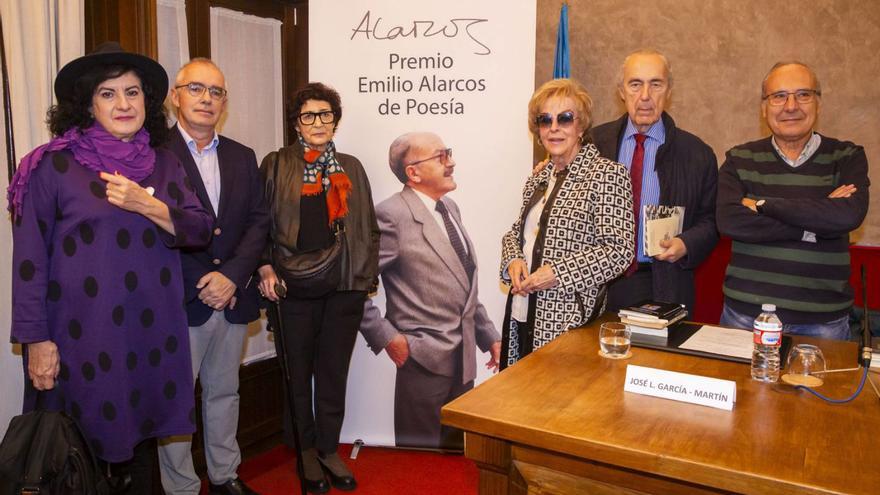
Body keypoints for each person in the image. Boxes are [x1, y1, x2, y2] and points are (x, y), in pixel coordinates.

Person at [8, 42, 212, 493]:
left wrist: (150, 205)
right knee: (79, 456)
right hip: (80, 338)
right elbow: (29, 261)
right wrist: (35, 340)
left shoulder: (164, 162)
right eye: (108, 93)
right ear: (87, 103)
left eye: (133, 92)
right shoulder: (51, 166)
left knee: (140, 450)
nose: (123, 104)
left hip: (149, 335)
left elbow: (199, 228)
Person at [258, 82, 379, 493]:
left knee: (333, 373)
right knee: (297, 375)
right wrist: (264, 267)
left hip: (344, 286)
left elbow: (368, 229)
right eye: (308, 115)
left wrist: (364, 280)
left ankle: (328, 449)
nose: (318, 122)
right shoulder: (275, 164)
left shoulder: (352, 166)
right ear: (296, 122)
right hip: (292, 287)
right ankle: (304, 452)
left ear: (336, 121)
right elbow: (260, 226)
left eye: (325, 114)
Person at [157, 59, 268, 495]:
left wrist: (233, 277)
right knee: (176, 400)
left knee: (225, 392)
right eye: (196, 88)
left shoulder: (243, 156)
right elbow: (151, 228)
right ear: (175, 96)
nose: (206, 99)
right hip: (178, 298)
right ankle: (181, 487)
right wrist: (205, 279)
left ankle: (224, 476)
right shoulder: (153, 153)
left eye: (216, 92)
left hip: (233, 296)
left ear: (225, 102)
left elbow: (258, 222)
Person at [359, 132, 502, 450]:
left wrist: (488, 336)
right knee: (418, 464)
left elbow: (463, 285)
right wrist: (386, 337)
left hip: (462, 364)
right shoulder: (390, 216)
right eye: (441, 156)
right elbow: (353, 285)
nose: (450, 162)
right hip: (421, 361)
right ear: (413, 172)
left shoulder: (449, 207)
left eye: (448, 153)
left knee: (455, 460)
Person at [716, 61, 869, 339]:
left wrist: (763, 206)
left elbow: (847, 216)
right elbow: (729, 222)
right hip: (744, 317)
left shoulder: (847, 156)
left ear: (818, 103)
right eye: (779, 96)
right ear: (764, 108)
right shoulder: (739, 158)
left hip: (824, 323)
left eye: (803, 94)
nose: (790, 106)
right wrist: (817, 220)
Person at [500, 79, 634, 368]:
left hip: (568, 322)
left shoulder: (607, 175)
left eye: (565, 118)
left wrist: (557, 273)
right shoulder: (539, 176)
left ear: (581, 126)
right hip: (523, 313)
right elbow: (516, 232)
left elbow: (619, 251)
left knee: (557, 410)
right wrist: (513, 260)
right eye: (545, 120)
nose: (554, 128)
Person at [592, 49, 718, 314]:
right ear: (621, 91)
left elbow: (711, 221)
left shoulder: (697, 154)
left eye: (656, 84)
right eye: (635, 84)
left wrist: (686, 243)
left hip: (664, 283)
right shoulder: (593, 144)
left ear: (669, 91)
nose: (645, 96)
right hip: (597, 285)